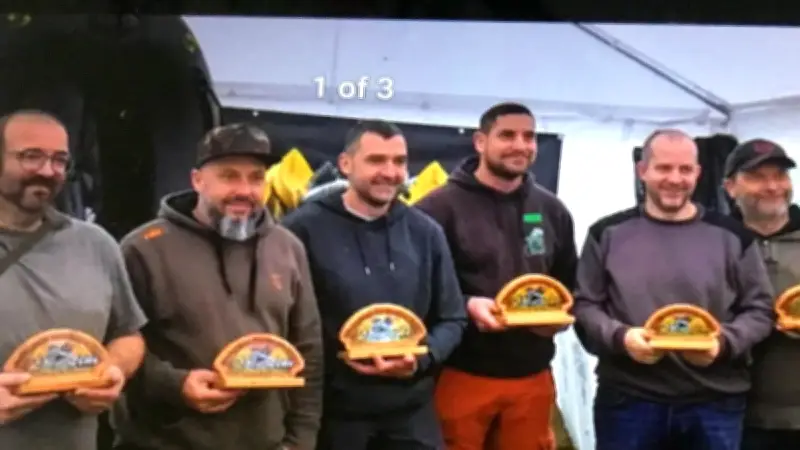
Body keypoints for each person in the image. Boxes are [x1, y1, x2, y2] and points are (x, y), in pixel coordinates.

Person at [112, 123, 323, 450]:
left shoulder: (287, 248)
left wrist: (301, 441)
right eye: (229, 176)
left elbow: (308, 350)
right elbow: (116, 347)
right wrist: (176, 385)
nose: (245, 190)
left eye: (256, 178)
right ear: (197, 180)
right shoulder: (144, 249)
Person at [572, 129, 775, 450]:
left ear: (698, 173)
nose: (675, 179)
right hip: (630, 400)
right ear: (643, 170)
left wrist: (723, 344)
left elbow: (760, 310)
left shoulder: (733, 236)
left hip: (715, 402)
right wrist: (620, 337)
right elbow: (585, 305)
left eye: (684, 169)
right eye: (664, 168)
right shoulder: (606, 233)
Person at [281, 120, 467, 450]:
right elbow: (282, 321)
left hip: (411, 415)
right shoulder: (300, 230)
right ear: (345, 164)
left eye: (399, 161)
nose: (390, 172)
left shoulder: (426, 233)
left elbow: (452, 318)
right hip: (334, 417)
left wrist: (421, 360)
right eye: (376, 160)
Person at [415, 102, 578, 450]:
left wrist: (561, 318)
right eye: (507, 135)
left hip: (532, 377)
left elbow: (569, 286)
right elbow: (415, 292)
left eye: (529, 137)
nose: (520, 145)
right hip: (459, 375)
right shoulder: (435, 209)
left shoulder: (552, 210)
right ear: (479, 141)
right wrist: (467, 305)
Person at [0, 109, 147, 450]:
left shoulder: (95, 244)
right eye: (30, 156)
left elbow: (128, 334)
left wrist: (112, 372)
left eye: (59, 159)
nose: (48, 171)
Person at [722, 139, 800, 449]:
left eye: (780, 175)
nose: (772, 186)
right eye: (757, 176)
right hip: (735, 415)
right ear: (730, 187)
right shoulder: (714, 242)